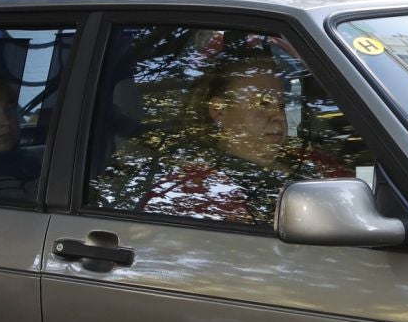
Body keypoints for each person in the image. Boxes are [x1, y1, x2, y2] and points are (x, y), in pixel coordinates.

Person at [137, 56, 347, 222]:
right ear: (219, 110)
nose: (279, 116)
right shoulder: (191, 191)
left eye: (282, 104)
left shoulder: (310, 161)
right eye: (262, 103)